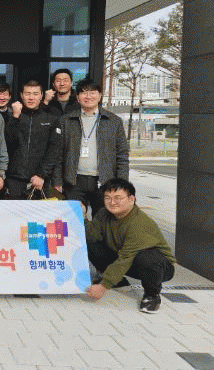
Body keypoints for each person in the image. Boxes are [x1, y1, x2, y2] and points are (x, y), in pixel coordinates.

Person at [85, 179, 175, 313]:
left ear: (132, 199)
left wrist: (103, 286)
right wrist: (81, 216)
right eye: (108, 198)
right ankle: (118, 281)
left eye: (118, 198)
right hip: (128, 258)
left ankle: (152, 295)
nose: (112, 202)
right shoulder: (103, 214)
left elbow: (126, 258)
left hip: (159, 266)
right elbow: (89, 234)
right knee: (90, 243)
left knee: (146, 257)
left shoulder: (139, 223)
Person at [54, 78, 129, 216]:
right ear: (77, 97)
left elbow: (122, 155)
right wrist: (57, 181)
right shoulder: (66, 121)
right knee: (74, 219)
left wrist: (122, 184)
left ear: (100, 96)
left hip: (105, 182)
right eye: (84, 93)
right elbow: (58, 154)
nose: (88, 96)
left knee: (103, 220)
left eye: (92, 92)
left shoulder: (113, 121)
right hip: (74, 181)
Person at [4, 80, 61, 199]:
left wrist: (41, 174)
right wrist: (15, 117)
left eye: (35, 94)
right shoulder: (13, 115)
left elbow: (54, 150)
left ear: (41, 96)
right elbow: (8, 142)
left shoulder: (51, 118)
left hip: (39, 179)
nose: (31, 97)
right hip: (14, 178)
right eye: (27, 93)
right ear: (21, 95)